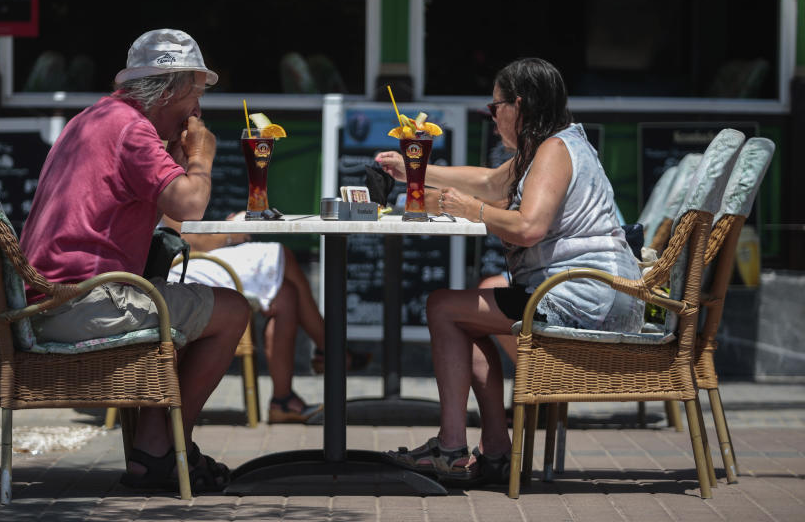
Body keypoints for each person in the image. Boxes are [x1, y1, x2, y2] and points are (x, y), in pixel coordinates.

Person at [374, 58, 643, 487]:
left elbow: (530, 227)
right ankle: (496, 451)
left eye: (494, 105)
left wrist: (465, 209)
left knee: (442, 307)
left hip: (585, 294)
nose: (492, 114)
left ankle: (451, 448)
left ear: (517, 105)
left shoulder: (554, 151)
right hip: (587, 288)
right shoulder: (552, 146)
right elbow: (490, 183)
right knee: (475, 299)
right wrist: (412, 171)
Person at [19, 29, 252, 493]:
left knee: (182, 303)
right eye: (195, 97)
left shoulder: (96, 117)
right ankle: (175, 450)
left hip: (40, 301)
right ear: (170, 91)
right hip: (78, 304)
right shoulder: (133, 130)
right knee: (232, 311)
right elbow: (188, 205)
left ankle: (153, 450)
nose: (198, 112)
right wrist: (201, 158)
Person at [159, 213, 372, 423]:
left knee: (285, 294)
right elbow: (192, 240)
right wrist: (233, 230)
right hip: (179, 268)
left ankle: (283, 400)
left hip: (195, 261)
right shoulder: (168, 181)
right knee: (279, 254)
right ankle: (332, 352)